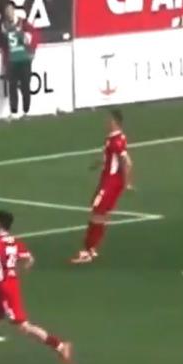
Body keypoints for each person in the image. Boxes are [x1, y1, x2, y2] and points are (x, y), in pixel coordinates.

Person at [0, 210, 73, 363]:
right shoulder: (15, 242)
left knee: (24, 326)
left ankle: (60, 345)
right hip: (8, 285)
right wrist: (15, 272)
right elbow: (30, 259)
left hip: (4, 289)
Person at [72, 109, 132, 263]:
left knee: (97, 213)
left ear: (115, 122)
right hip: (110, 181)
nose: (106, 122)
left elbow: (125, 162)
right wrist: (100, 163)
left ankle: (87, 250)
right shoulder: (116, 138)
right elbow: (124, 160)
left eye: (109, 120)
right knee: (101, 213)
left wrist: (126, 182)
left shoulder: (116, 141)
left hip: (110, 182)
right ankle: (92, 248)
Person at [0, 2, 38, 120]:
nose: (9, 13)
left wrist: (32, 49)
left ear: (14, 10)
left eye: (11, 10)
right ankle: (14, 112)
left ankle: (26, 112)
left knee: (25, 86)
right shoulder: (4, 26)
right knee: (12, 87)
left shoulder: (22, 23)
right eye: (7, 11)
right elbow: (4, 45)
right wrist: (5, 61)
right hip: (12, 60)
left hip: (24, 59)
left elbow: (35, 35)